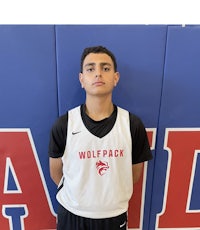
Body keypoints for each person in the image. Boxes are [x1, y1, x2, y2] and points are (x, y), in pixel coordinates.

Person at [48, 45, 153, 230]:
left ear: (115, 77)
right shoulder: (64, 124)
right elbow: (56, 173)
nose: (98, 74)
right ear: (82, 79)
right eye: (90, 69)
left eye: (105, 68)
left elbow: (134, 174)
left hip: (113, 216)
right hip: (72, 214)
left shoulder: (132, 124)